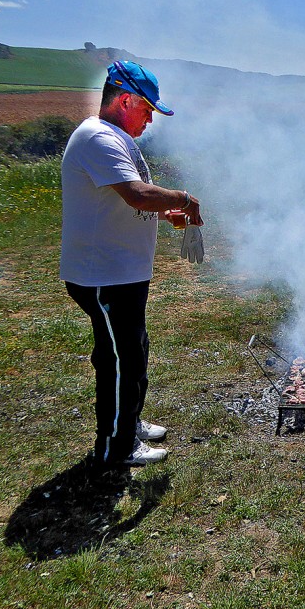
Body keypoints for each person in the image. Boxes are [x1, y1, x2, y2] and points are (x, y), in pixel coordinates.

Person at [60, 61, 204, 468]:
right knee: (121, 358)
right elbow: (138, 194)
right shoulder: (97, 138)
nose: (150, 120)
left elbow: (124, 200)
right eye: (147, 110)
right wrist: (183, 200)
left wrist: (166, 215)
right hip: (102, 274)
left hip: (120, 273)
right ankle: (117, 446)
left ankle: (129, 422)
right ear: (125, 100)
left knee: (130, 351)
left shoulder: (115, 139)